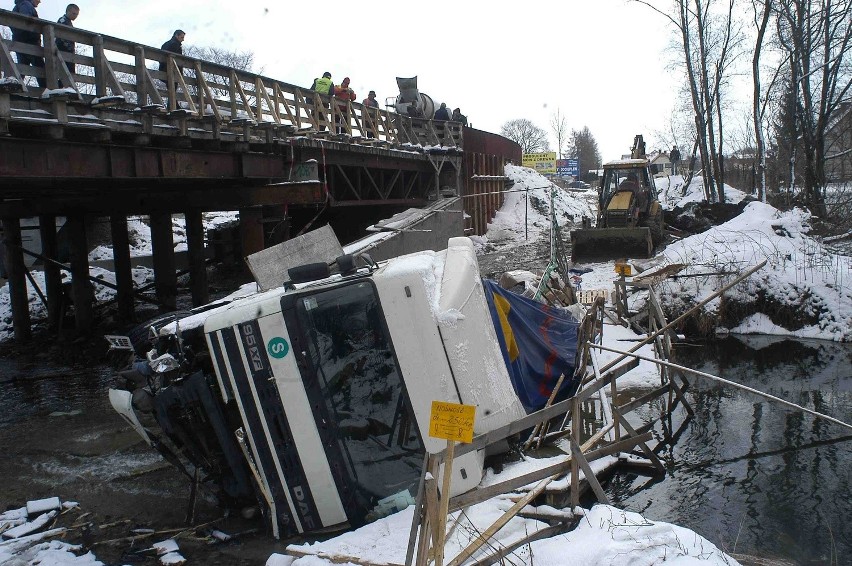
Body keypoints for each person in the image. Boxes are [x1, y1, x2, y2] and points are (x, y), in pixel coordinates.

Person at [11, 0, 46, 89]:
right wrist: (33, 36)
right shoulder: (26, 4)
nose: (39, 2)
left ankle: (14, 87)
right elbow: (26, 20)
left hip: (21, 42)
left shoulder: (21, 4)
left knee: (22, 69)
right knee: (40, 69)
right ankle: (46, 90)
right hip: (29, 43)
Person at [56, 4, 80, 83]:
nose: (75, 16)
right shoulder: (63, 21)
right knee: (64, 74)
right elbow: (60, 35)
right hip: (63, 51)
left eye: (76, 14)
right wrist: (68, 47)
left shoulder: (68, 22)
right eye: (74, 14)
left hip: (68, 53)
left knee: (70, 74)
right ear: (68, 11)